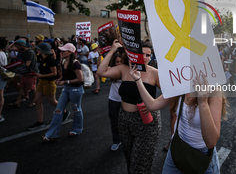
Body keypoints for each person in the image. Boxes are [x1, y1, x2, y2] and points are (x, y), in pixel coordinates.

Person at [129, 60, 226, 174]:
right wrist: (138, 79)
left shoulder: (214, 91)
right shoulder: (179, 84)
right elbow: (152, 105)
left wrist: (202, 102)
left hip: (202, 156)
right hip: (177, 148)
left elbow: (211, 142)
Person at [97, 40, 161, 174]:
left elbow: (170, 94)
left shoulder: (155, 73)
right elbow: (101, 72)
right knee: (130, 159)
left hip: (147, 123)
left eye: (148, 55)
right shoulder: (124, 68)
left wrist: (153, 105)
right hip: (125, 120)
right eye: (141, 53)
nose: (144, 57)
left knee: (140, 165)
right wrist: (113, 50)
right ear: (133, 54)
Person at [42, 43, 84, 141]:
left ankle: (77, 129)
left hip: (75, 90)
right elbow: (65, 76)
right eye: (61, 51)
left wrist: (65, 81)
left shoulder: (75, 63)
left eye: (64, 51)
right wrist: (61, 79)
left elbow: (80, 79)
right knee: (58, 110)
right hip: (66, 89)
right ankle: (51, 134)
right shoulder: (63, 61)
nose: (61, 52)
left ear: (70, 52)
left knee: (76, 110)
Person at [7, 39, 38, 108]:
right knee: (21, 87)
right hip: (25, 72)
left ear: (21, 46)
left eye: (18, 47)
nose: (17, 49)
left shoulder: (29, 52)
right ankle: (17, 102)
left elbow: (27, 64)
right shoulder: (25, 51)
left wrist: (19, 72)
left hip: (31, 73)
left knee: (33, 88)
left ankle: (34, 101)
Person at [0, 38, 8, 122]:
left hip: (1, 75)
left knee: (0, 95)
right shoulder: (3, 53)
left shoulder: (0, 54)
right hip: (2, 75)